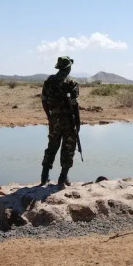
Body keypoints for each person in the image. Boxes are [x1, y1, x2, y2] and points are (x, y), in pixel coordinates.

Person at [40, 56, 80, 187]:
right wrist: (77, 124)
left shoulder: (48, 81)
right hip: (69, 120)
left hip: (54, 119)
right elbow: (74, 105)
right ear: (68, 67)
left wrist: (50, 117)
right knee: (68, 149)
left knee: (52, 146)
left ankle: (44, 177)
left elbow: (44, 101)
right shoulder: (71, 82)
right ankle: (62, 178)